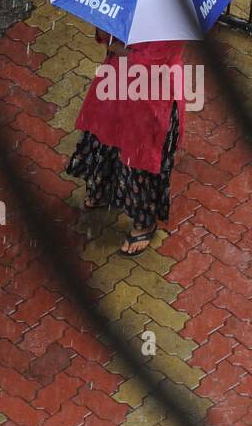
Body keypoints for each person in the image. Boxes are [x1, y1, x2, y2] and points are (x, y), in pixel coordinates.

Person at [65, 27, 185, 256]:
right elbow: (106, 35)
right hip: (116, 83)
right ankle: (102, 190)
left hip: (153, 96)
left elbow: (152, 62)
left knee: (139, 159)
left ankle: (144, 222)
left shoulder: (172, 16)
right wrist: (107, 31)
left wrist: (118, 49)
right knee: (105, 139)